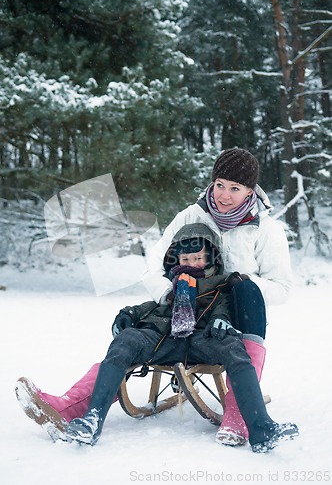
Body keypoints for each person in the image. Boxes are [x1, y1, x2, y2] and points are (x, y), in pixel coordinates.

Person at [16, 147, 293, 447]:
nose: (224, 195)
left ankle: (241, 416)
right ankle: (70, 407)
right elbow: (154, 265)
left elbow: (282, 287)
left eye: (235, 189)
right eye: (219, 185)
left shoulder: (266, 230)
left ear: (251, 191)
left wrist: (237, 284)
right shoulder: (191, 215)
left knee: (246, 290)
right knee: (127, 344)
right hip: (176, 313)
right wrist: (174, 295)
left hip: (232, 320)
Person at [62, 222, 298, 452]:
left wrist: (223, 319)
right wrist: (128, 314)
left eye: (198, 258)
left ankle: (262, 428)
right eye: (185, 260)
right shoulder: (170, 286)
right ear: (175, 261)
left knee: (234, 349)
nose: (191, 264)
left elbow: (223, 305)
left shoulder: (220, 284)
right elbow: (154, 307)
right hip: (164, 338)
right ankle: (92, 420)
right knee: (126, 341)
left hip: (202, 338)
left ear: (211, 258)